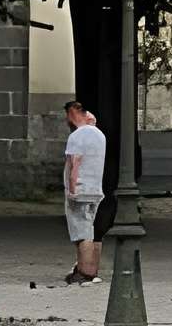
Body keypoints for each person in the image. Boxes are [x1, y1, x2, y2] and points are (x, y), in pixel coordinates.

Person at [62, 99, 106, 285]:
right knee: (91, 229)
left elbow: (75, 163)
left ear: (71, 113)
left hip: (80, 189)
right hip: (95, 188)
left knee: (82, 233)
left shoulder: (77, 136)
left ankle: (85, 273)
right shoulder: (99, 135)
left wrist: (72, 189)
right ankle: (91, 270)